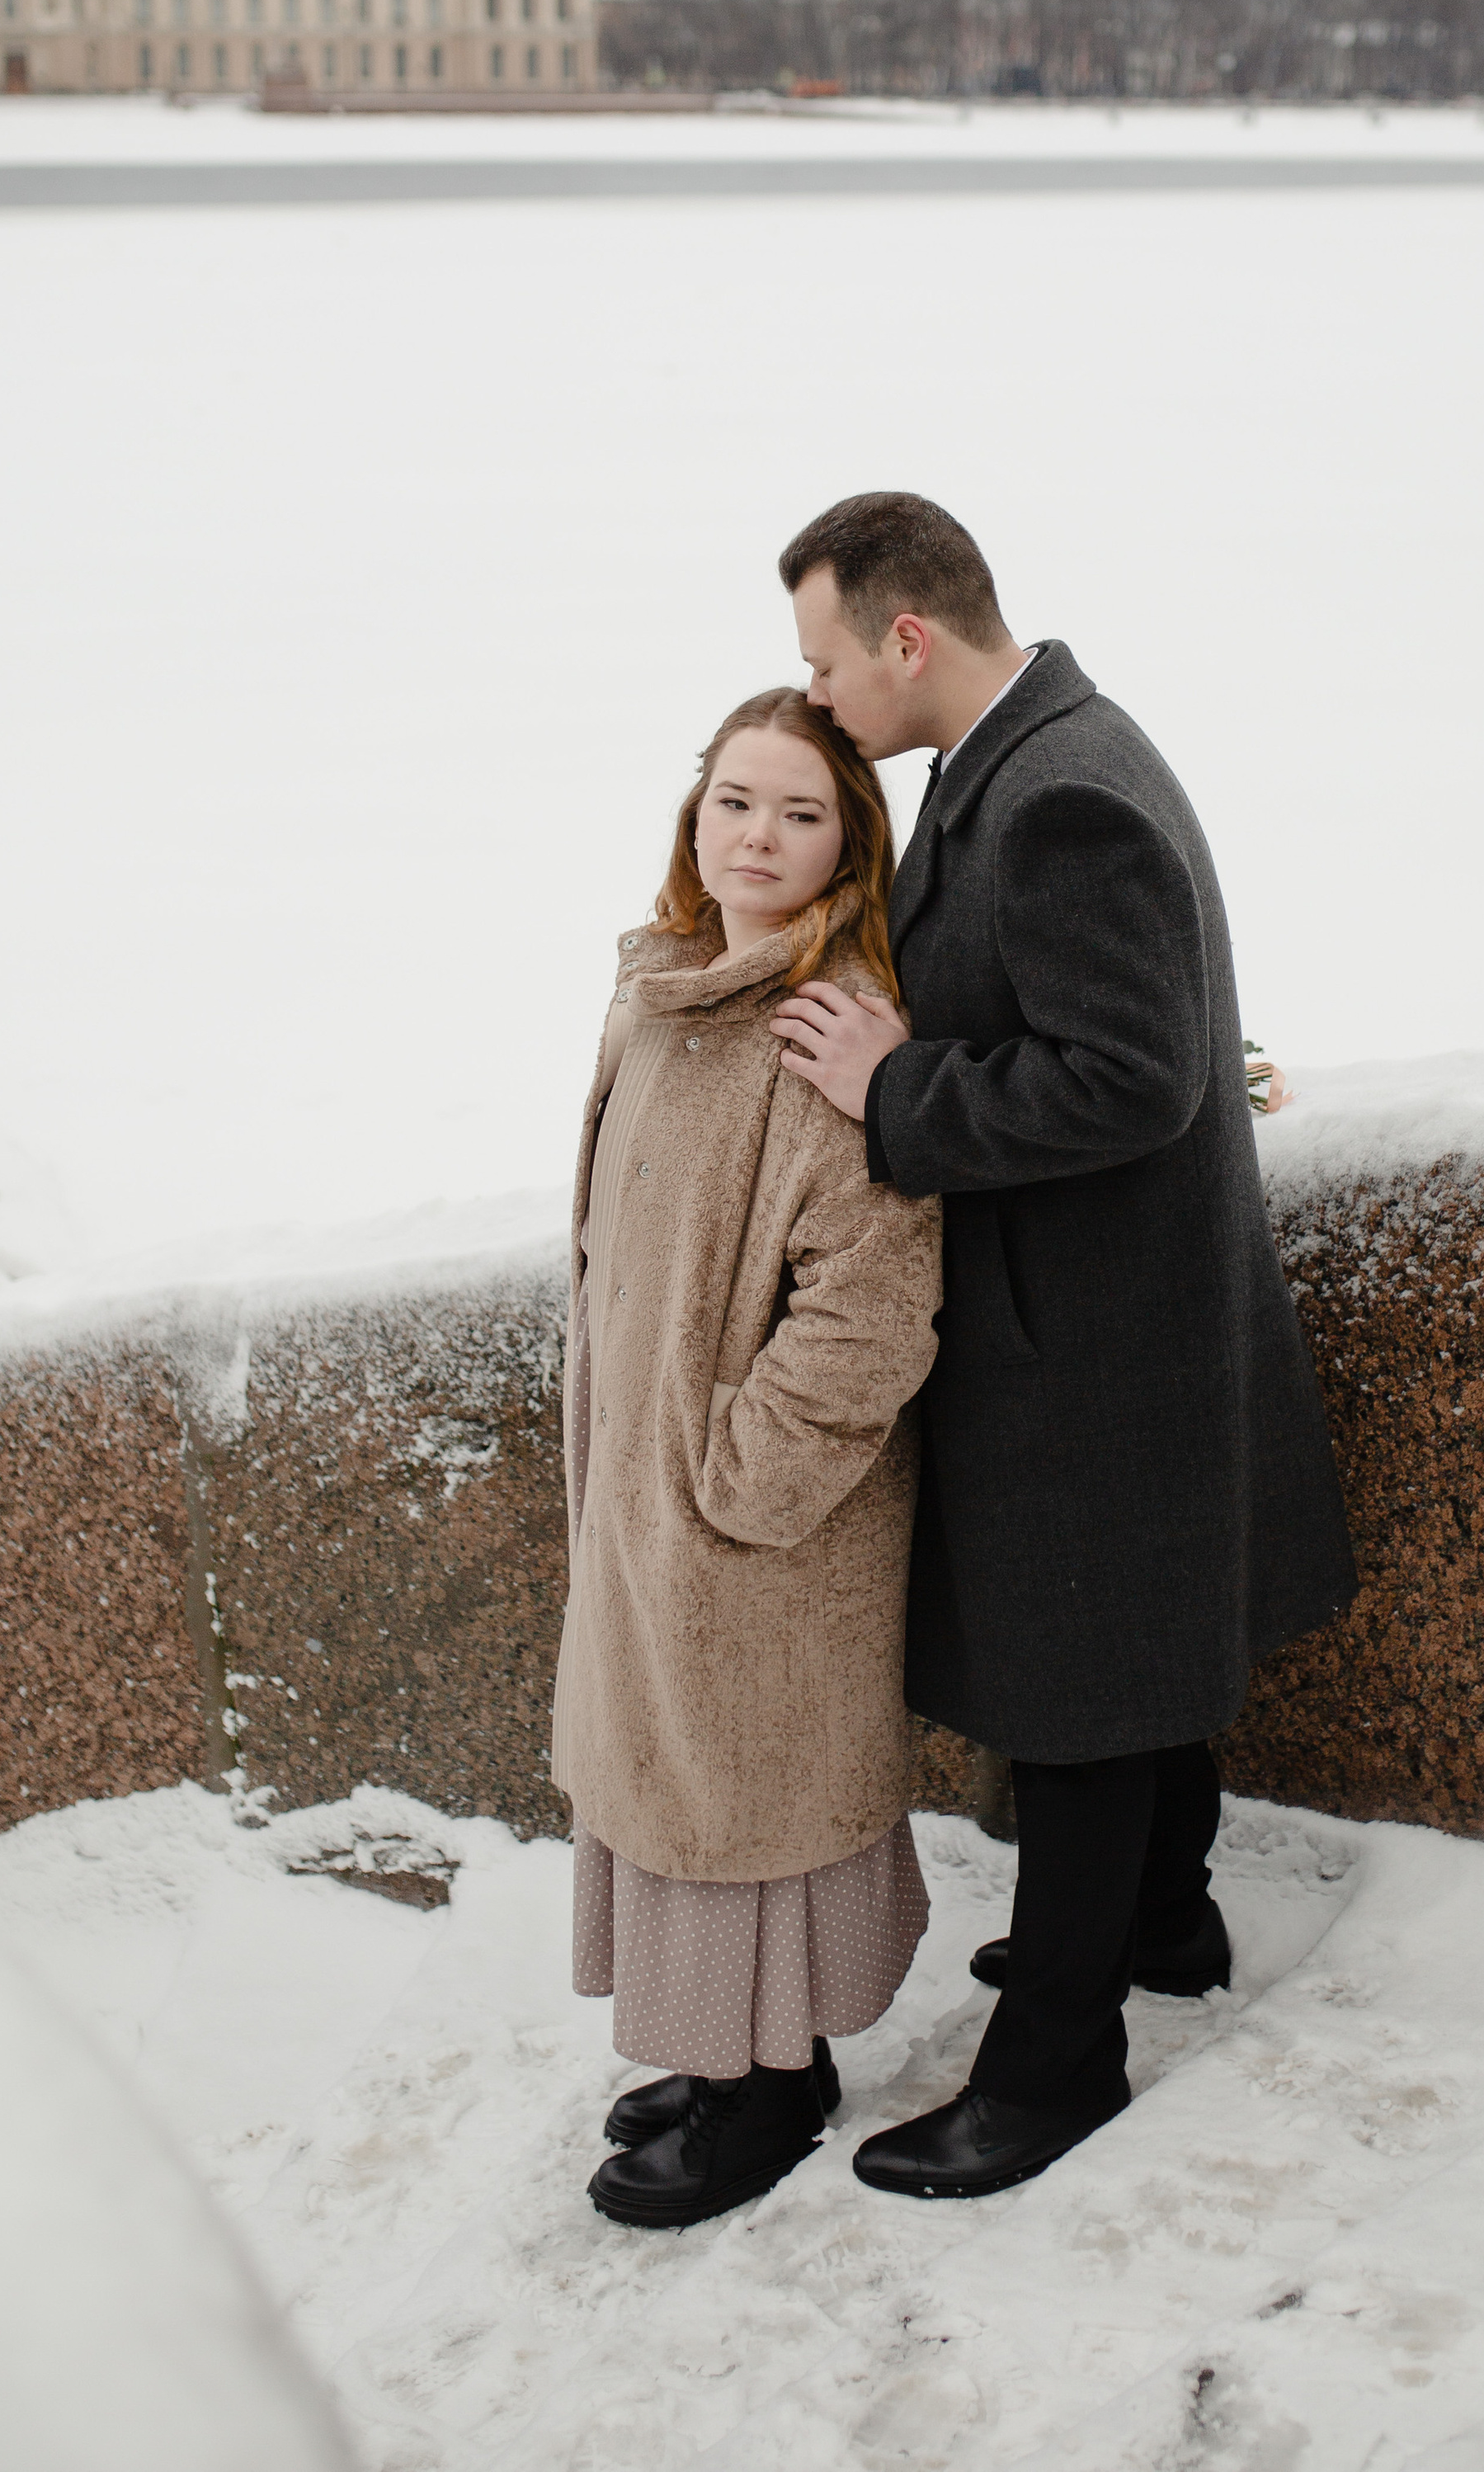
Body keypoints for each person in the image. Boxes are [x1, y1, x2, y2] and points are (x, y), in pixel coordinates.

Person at [770, 493, 1357, 2201]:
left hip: (1093, 1350)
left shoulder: (1065, 793)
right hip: (1110, 1328)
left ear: (905, 635)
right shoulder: (1017, 756)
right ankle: (1160, 1923)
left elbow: (1129, 1076)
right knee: (1129, 1671)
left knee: (1083, 1703)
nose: (810, 700)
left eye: (821, 662)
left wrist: (891, 1090)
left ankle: (1056, 2066)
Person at [552, 686, 944, 2229]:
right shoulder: (664, 993)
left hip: (747, 1520)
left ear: (850, 843)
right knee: (674, 1783)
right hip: (644, 1490)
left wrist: (736, 1477)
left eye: (800, 810)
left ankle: (765, 2089)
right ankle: (741, 2051)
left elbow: (874, 1305)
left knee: (742, 1794)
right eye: (734, 801)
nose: (758, 836)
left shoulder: (822, 1029)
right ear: (692, 816)